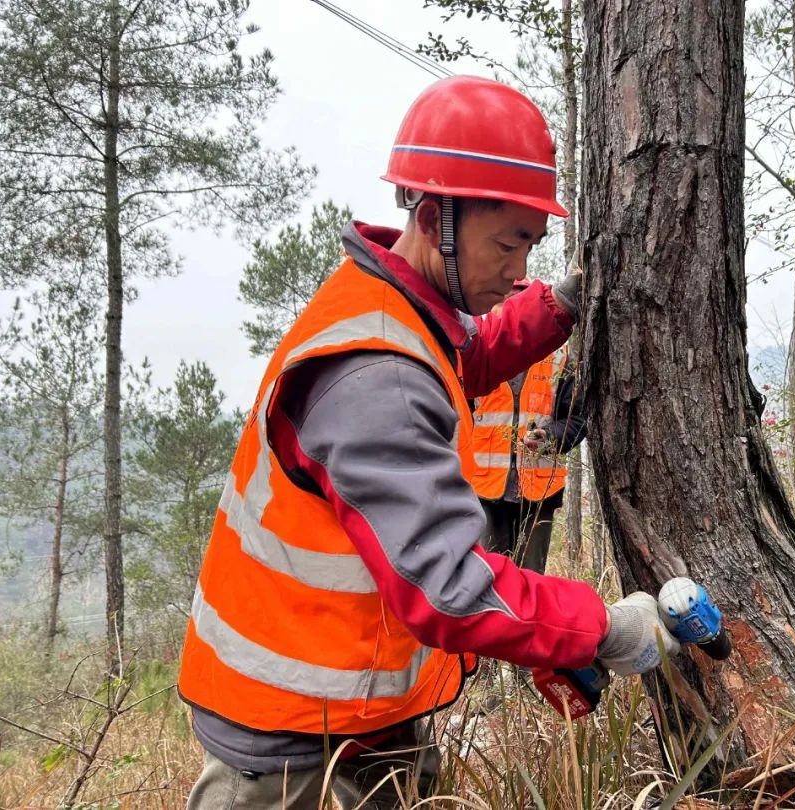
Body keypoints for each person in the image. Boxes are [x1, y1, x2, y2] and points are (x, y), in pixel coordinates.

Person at [179, 75, 679, 810]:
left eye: (533, 247)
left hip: (346, 713)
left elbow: (460, 359)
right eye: (510, 244)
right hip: (296, 759)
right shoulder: (374, 375)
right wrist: (601, 628)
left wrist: (555, 307)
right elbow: (448, 589)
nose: (518, 274)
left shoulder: (387, 302)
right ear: (435, 212)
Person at [473, 278, 586, 574]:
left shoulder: (560, 357)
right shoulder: (476, 350)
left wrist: (549, 436)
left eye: (517, 302)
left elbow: (578, 418)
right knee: (487, 579)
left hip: (538, 493)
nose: (508, 309)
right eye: (502, 302)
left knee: (530, 580)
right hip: (483, 490)